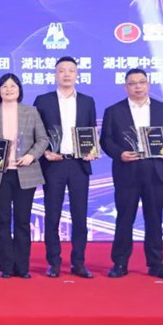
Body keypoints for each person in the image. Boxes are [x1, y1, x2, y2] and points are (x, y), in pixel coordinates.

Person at [100, 68, 163, 279]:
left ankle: (156, 264)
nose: (138, 86)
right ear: (125, 87)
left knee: (154, 219)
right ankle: (120, 263)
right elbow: (106, 140)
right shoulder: (114, 111)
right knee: (124, 218)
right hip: (127, 170)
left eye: (141, 82)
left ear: (148, 84)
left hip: (156, 171)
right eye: (133, 83)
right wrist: (120, 154)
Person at [33, 56, 97, 279]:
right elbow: (35, 132)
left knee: (80, 216)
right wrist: (44, 153)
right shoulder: (43, 100)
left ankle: (78, 263)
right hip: (54, 164)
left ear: (77, 74)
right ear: (55, 74)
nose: (67, 74)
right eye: (62, 70)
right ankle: (54, 263)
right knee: (52, 215)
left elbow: (90, 131)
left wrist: (92, 150)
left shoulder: (87, 101)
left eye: (71, 70)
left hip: (79, 165)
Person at [0, 73, 48, 279]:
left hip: (25, 173)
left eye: (13, 86)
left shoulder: (31, 111)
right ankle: (5, 266)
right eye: (4, 86)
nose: (9, 89)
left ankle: (22, 267)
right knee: (2, 220)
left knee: (22, 221)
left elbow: (43, 139)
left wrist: (31, 156)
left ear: (19, 90)